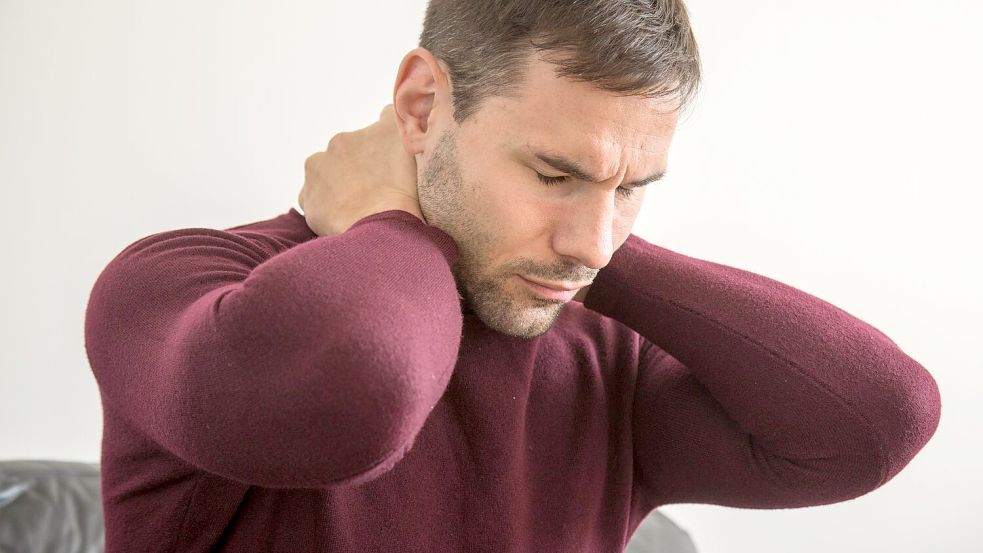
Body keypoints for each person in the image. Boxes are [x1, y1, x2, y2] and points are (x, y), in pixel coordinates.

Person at [83, 1, 942, 551]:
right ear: (422, 107)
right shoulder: (180, 286)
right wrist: (394, 227)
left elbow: (877, 420)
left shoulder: (609, 359)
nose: (594, 241)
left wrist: (592, 259)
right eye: (553, 172)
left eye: (631, 188)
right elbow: (356, 392)